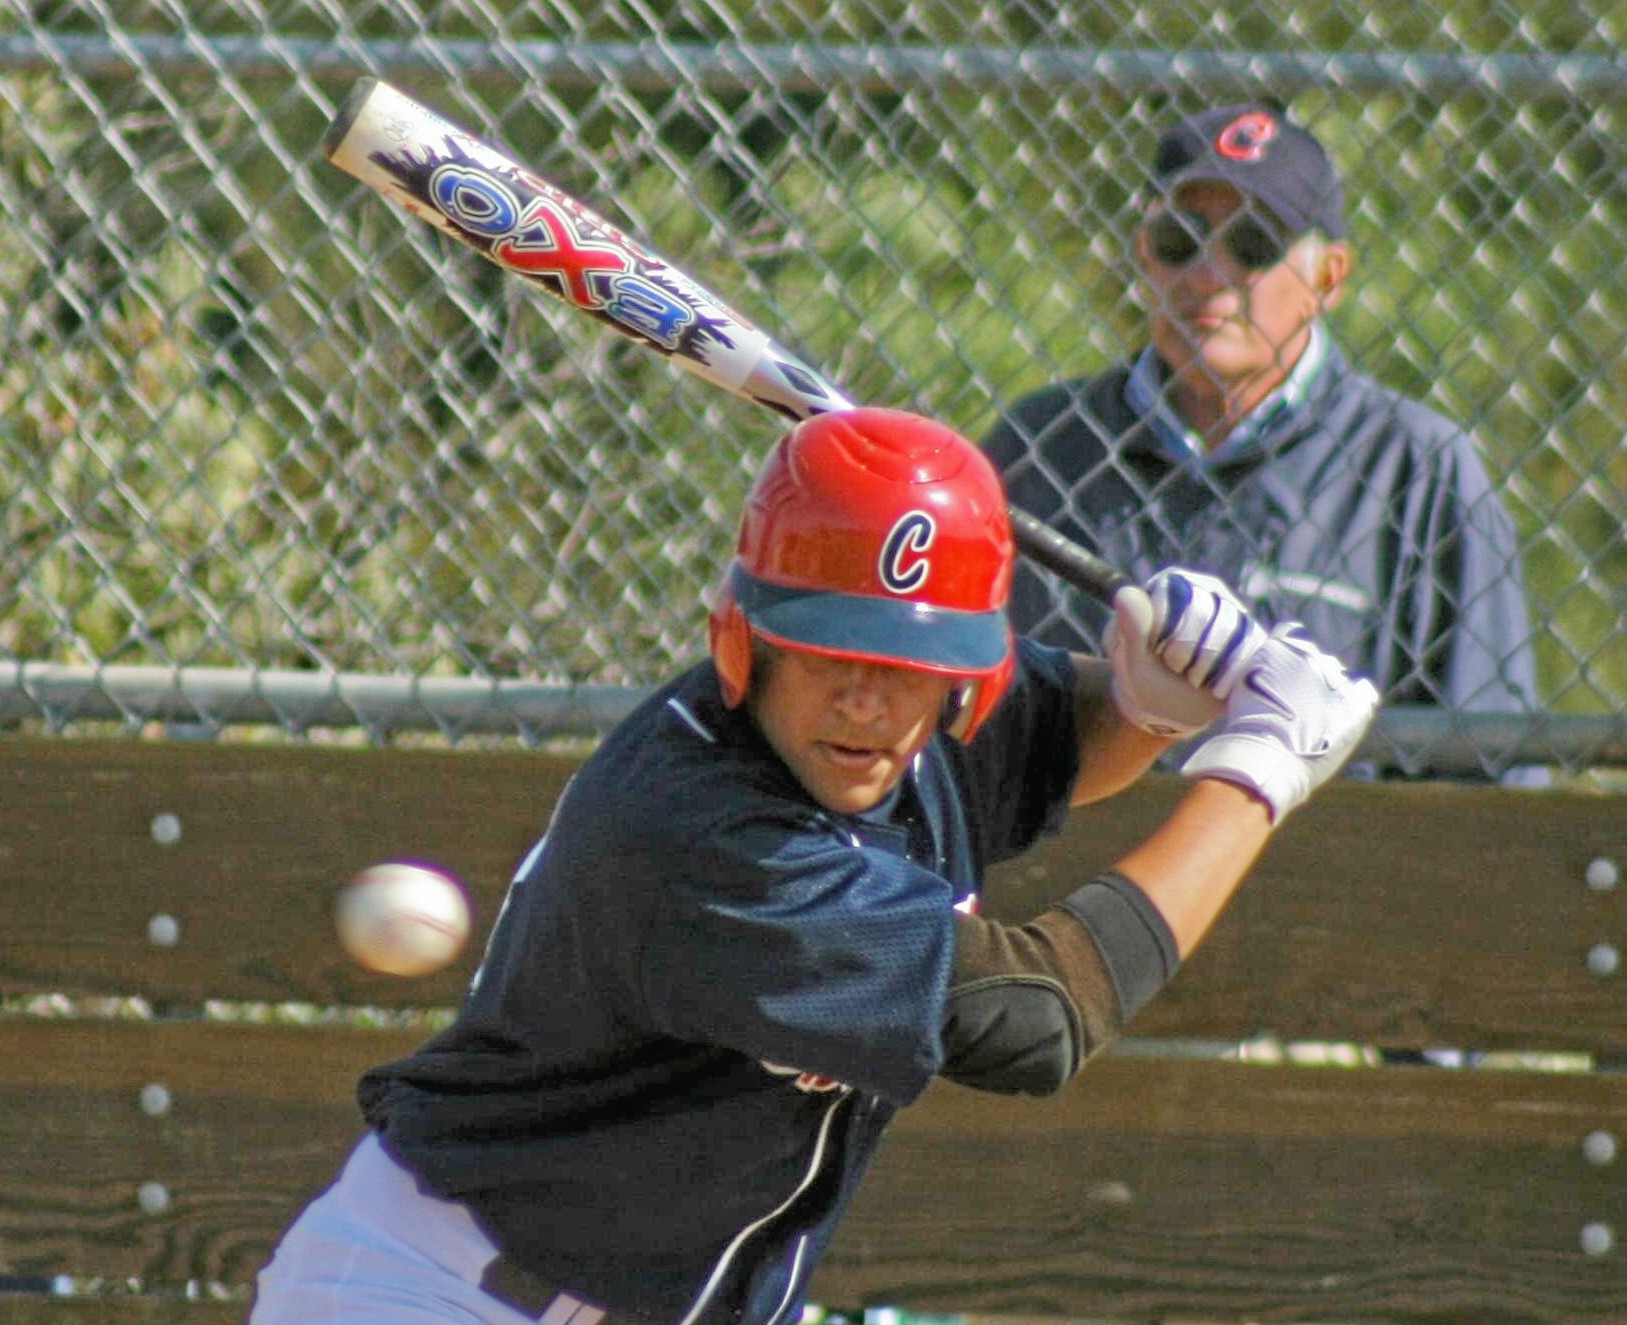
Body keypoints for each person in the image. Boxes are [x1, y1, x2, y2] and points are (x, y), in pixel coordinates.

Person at [249, 407, 1377, 1325]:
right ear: (747, 637)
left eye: (912, 663)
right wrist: (1258, 771)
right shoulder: (698, 832)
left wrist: (1142, 698)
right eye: (832, 651)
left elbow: (1056, 733)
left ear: (961, 681)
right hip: (443, 1293)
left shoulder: (911, 726)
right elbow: (1036, 1017)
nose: (867, 700)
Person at [982, 101, 1542, 777]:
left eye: (1252, 246)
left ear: (1327, 278)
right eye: (1180, 239)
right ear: (1143, 254)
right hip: (1070, 861)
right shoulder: (1042, 444)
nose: (1207, 275)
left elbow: (1489, 761)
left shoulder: (1414, 466)